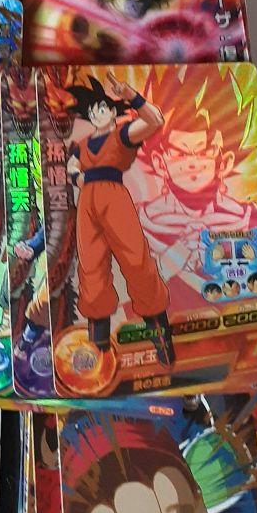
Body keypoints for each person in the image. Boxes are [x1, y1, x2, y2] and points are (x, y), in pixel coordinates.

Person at [65, 73, 173, 364]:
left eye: (102, 108)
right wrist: (77, 178)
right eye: (92, 110)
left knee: (136, 261)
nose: (96, 113)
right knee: (91, 267)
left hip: (115, 199)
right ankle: (99, 349)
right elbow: (71, 165)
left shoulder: (123, 134)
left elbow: (155, 120)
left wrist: (131, 96)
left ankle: (161, 338)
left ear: (113, 112)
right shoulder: (82, 144)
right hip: (87, 202)